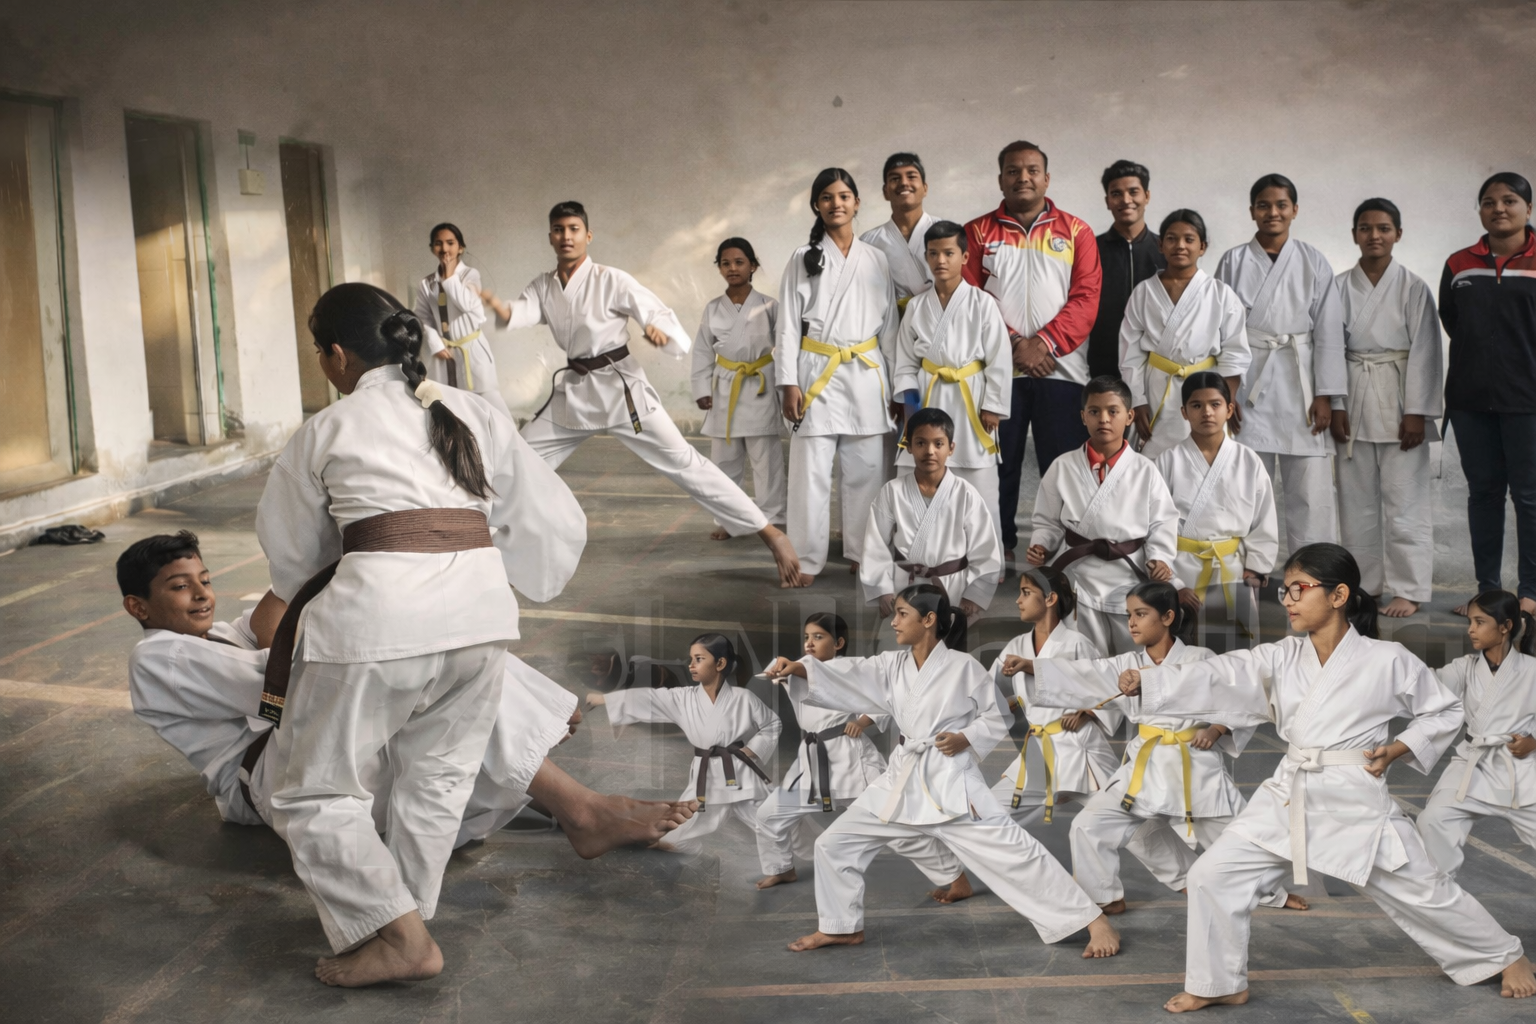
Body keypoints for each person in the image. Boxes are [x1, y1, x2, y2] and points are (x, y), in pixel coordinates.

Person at [252, 282, 587, 986]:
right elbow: (549, 517)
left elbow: (295, 557)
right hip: (482, 618)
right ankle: (404, 923)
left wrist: (365, 568)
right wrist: (495, 571)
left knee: (312, 792)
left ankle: (401, 938)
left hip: (377, 619)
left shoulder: (326, 428)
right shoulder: (471, 410)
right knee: (437, 777)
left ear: (336, 355)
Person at [1106, 543, 1535, 1011]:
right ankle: (1218, 982)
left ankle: (1505, 955)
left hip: (1352, 797)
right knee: (1212, 874)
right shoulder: (1281, 656)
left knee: (1423, 889)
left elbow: (1444, 710)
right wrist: (1155, 680)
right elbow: (1222, 673)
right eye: (1285, 590)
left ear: (1338, 595)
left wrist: (1398, 749)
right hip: (1289, 792)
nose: (1287, 600)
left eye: (1298, 589)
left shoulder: (1386, 658)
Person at [118, 532, 697, 860]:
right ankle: (584, 810)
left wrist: (322, 545)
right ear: (138, 606)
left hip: (295, 748)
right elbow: (280, 686)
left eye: (205, 581)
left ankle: (574, 806)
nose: (201, 595)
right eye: (180, 587)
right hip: (271, 777)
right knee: (427, 676)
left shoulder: (216, 634)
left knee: (442, 675)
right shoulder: (159, 657)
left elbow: (278, 615)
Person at [763, 584, 1121, 959]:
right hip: (901, 778)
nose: (894, 621)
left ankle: (1094, 920)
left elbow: (997, 714)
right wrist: (801, 668)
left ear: (929, 619)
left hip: (951, 782)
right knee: (834, 844)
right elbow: (849, 674)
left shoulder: (963, 668)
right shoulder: (890, 665)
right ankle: (840, 927)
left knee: (1014, 853)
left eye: (902, 613)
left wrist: (967, 737)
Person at [481, 201, 804, 587]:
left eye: (573, 229)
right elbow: (522, 311)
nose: (566, 236)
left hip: (623, 393)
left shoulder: (611, 280)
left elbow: (659, 317)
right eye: (558, 230)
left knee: (687, 465)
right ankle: (474, 538)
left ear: (588, 235)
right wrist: (499, 308)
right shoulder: (544, 285)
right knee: (514, 459)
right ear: (550, 236)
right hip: (575, 394)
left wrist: (662, 335)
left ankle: (771, 534)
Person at [1028, 582, 1301, 916]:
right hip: (1145, 766)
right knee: (1089, 824)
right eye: (1129, 615)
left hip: (1194, 765)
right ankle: (1105, 896)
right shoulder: (1127, 663)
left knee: (1233, 837)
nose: (1131, 623)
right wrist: (1031, 667)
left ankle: (1271, 893)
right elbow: (1088, 674)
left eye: (1141, 614)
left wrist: (1216, 728)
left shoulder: (1199, 659)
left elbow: (1236, 695)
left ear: (1168, 617)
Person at [753, 612, 969, 900]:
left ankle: (955, 878)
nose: (810, 643)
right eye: (806, 637)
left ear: (838, 643)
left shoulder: (849, 669)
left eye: (819, 637)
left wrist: (862, 721)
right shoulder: (802, 666)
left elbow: (888, 698)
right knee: (769, 814)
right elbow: (790, 669)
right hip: (812, 760)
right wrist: (782, 668)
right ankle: (781, 867)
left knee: (894, 826)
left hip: (850, 759)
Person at [964, 141, 1103, 563]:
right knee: (998, 465)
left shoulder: (1076, 231)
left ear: (1046, 178)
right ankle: (997, 546)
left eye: (1032, 170)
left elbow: (1086, 297)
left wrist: (1043, 344)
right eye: (1013, 170)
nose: (1022, 177)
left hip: (1060, 369)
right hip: (997, 370)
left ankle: (1063, 550)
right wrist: (1012, 344)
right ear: (1000, 179)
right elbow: (969, 296)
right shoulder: (977, 233)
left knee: (1063, 466)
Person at [776, 168, 900, 582]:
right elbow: (787, 325)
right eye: (827, 197)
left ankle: (865, 552)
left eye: (844, 196)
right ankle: (805, 560)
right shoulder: (803, 257)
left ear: (857, 203)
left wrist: (897, 386)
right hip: (816, 372)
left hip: (865, 373)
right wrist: (787, 382)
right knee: (809, 474)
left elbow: (889, 327)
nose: (836, 204)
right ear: (817, 205)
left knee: (868, 471)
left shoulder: (875, 258)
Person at [1214, 174, 1346, 552]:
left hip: (1301, 386)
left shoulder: (1313, 260)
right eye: (1264, 205)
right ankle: (1247, 575)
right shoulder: (1233, 261)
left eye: (1281, 205)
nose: (1272, 212)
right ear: (1252, 211)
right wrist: (1226, 395)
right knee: (1244, 489)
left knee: (1310, 495)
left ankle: (1313, 578)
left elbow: (1329, 332)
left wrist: (1326, 396)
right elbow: (1221, 332)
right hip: (1248, 383)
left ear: (1295, 210)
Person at [1330, 198, 1443, 618]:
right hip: (1353, 398)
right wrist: (1335, 403)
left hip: (1399, 402)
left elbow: (1427, 350)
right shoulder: (1338, 286)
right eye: (1365, 228)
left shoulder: (1413, 287)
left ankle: (1409, 588)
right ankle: (1364, 585)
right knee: (1355, 504)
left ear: (1398, 233)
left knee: (1405, 501)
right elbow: (1328, 348)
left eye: (1383, 228)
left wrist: (1417, 412)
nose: (1374, 235)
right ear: (1354, 234)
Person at [587, 634, 781, 867]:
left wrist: (753, 749)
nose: (691, 665)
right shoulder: (684, 698)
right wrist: (605, 700)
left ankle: (784, 867)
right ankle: (701, 860)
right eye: (691, 659)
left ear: (720, 663)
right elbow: (650, 698)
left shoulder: (744, 698)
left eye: (699, 659)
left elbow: (772, 724)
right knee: (674, 836)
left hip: (741, 774)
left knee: (771, 823)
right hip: (707, 776)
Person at [1441, 172, 1536, 616]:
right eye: (1489, 201)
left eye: (1509, 200)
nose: (1499, 208)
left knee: (1529, 497)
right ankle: (1488, 592)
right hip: (1470, 402)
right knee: (1483, 494)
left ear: (1528, 209)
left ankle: (1531, 592)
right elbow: (1452, 321)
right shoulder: (1459, 264)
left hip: (1528, 402)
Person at [1027, 376, 1178, 655]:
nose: (1104, 419)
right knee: (1080, 656)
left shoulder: (1145, 469)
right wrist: (1042, 544)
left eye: (1113, 411)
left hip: (1129, 572)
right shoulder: (1063, 466)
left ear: (1129, 416)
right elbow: (1047, 520)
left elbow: (1162, 521)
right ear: (1083, 416)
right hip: (1078, 573)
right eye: (1094, 411)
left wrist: (1160, 558)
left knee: (1131, 656)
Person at [891, 220, 1011, 538]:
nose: (940, 260)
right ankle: (917, 548)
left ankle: (984, 554)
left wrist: (994, 405)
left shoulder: (982, 303)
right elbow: (905, 363)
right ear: (926, 258)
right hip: (928, 394)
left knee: (978, 477)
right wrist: (911, 411)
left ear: (965, 257)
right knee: (918, 472)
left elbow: (999, 358)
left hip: (970, 397)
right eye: (933, 253)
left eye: (948, 253)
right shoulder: (917, 306)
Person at [1416, 590, 1536, 879]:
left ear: (1505, 626)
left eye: (1480, 622)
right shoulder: (1464, 667)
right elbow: (1427, 685)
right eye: (1470, 621)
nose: (1471, 629)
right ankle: (1438, 896)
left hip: (1521, 769)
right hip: (1472, 765)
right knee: (1433, 820)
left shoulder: (1532, 670)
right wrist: (1388, 667)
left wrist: (1534, 741)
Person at [860, 408, 1003, 646]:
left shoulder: (966, 494)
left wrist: (973, 595)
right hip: (904, 586)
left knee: (947, 654)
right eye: (921, 443)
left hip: (952, 588)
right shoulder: (892, 491)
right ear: (909, 447)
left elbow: (985, 549)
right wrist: (882, 589)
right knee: (897, 652)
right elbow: (875, 544)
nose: (929, 451)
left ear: (951, 448)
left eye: (938, 444)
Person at [1155, 373, 1278, 651]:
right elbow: (1154, 525)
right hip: (1181, 568)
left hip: (1231, 568)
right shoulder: (1167, 461)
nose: (1207, 412)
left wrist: (1256, 567)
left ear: (1229, 409)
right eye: (1197, 405)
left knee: (1234, 657)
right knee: (1181, 653)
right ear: (1184, 412)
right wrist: (1172, 582)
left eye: (1215, 404)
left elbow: (1264, 518)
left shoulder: (1248, 461)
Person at [991, 565, 1118, 830]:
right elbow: (987, 691)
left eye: (1026, 593)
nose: (1018, 600)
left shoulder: (1076, 644)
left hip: (1079, 749)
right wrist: (1008, 702)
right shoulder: (1016, 646)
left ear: (1050, 599)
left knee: (1133, 829)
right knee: (989, 816)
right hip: (1038, 750)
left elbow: (1109, 690)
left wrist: (1087, 712)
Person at [1121, 209, 1250, 461]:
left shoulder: (1220, 294)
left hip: (1206, 389)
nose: (1180, 245)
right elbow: (1130, 354)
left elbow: (1235, 353)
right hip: (1157, 389)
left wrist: (1225, 398)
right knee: (1156, 460)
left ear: (1202, 247)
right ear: (1160, 245)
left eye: (1189, 239)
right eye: (1172, 239)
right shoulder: (1143, 292)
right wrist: (1137, 400)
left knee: (1206, 459)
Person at [690, 237, 785, 540]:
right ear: (719, 268)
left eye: (739, 262)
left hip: (760, 385)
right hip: (725, 386)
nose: (732, 268)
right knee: (724, 461)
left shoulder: (770, 306)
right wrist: (702, 388)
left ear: (753, 266)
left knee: (766, 461)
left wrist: (786, 388)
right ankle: (731, 521)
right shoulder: (713, 309)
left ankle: (773, 518)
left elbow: (786, 347)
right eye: (726, 263)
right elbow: (702, 351)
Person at [412, 223, 509, 416]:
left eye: (450, 243)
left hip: (471, 350)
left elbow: (470, 306)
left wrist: (449, 276)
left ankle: (511, 435)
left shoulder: (470, 275)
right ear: (432, 248)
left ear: (461, 247)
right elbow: (423, 317)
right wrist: (435, 344)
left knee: (493, 406)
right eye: (438, 243)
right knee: (449, 405)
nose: (444, 248)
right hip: (444, 353)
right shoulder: (427, 283)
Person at [1090, 159, 1166, 380]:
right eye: (1116, 194)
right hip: (1102, 369)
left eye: (1133, 192)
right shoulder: (1090, 250)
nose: (1125, 200)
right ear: (1107, 201)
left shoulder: (1166, 251)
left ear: (1147, 196)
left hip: (1158, 367)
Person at [859, 152, 939, 310]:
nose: (903, 183)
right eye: (895, 178)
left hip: (943, 318)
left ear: (925, 188)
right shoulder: (868, 242)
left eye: (911, 177)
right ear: (885, 191)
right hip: (893, 322)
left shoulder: (948, 232)